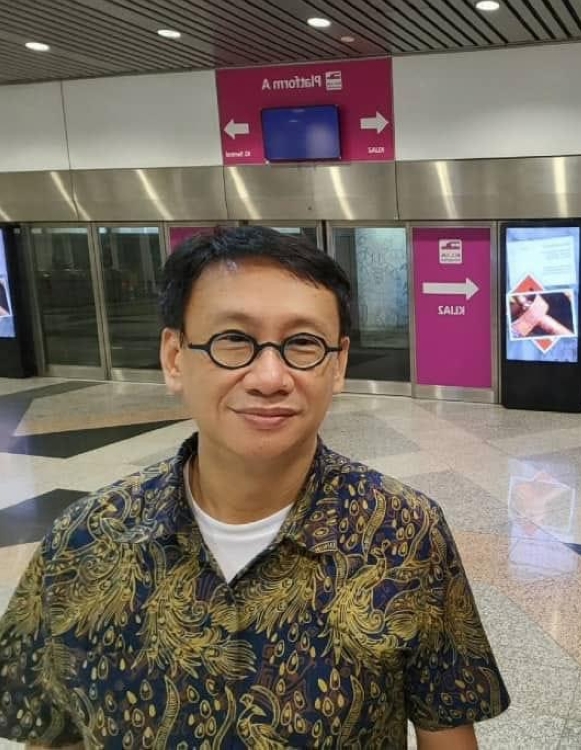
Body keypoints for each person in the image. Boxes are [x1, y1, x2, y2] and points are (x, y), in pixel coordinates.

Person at [0, 226, 509, 749]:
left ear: (338, 364)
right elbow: (53, 732)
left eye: (303, 344)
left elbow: (445, 730)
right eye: (234, 341)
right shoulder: (84, 542)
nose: (270, 377)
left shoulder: (404, 533)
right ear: (175, 357)